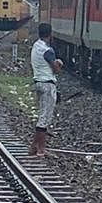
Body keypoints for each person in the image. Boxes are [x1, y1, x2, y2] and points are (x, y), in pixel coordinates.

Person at [30, 22, 64, 156]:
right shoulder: (48, 50)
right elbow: (55, 69)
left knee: (42, 115)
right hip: (48, 84)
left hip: (38, 82)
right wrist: (59, 63)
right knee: (45, 117)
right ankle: (41, 149)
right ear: (50, 34)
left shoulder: (35, 46)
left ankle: (34, 146)